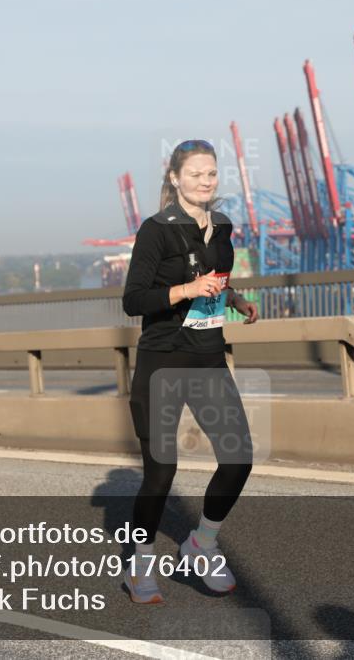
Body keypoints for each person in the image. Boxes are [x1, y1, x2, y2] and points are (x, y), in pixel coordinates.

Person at [121, 139, 259, 604]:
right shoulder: (155, 230)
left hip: (207, 357)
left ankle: (200, 544)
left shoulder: (221, 227)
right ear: (176, 178)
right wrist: (185, 289)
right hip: (163, 360)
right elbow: (134, 299)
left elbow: (215, 276)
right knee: (161, 472)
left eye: (211, 173)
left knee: (239, 458)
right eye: (196, 173)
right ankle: (138, 565)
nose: (205, 181)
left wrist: (233, 298)